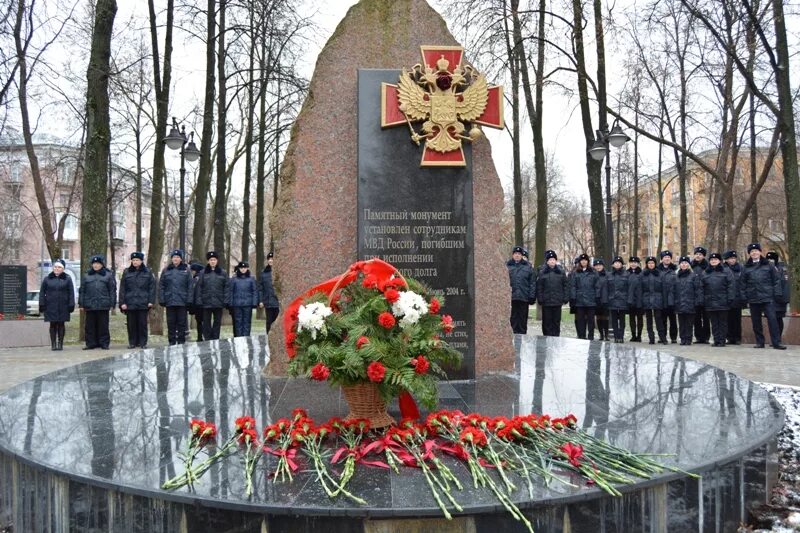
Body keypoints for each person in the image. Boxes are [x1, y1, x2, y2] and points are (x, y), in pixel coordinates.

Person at [742, 243, 786, 350]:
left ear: (760, 252)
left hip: (768, 297)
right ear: (749, 254)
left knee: (772, 320)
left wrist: (776, 294)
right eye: (752, 252)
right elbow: (742, 284)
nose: (754, 253)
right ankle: (759, 342)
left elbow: (776, 281)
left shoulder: (769, 265)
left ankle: (776, 342)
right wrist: (745, 297)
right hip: (753, 298)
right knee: (756, 322)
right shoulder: (746, 267)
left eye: (756, 251)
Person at [118, 252, 155, 349]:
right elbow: (122, 288)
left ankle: (143, 342)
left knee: (142, 324)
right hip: (130, 302)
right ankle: (132, 342)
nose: (135, 262)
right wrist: (122, 302)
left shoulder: (147, 272)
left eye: (137, 260)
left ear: (141, 261)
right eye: (133, 260)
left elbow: (152, 288)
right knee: (131, 324)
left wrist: (151, 301)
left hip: (143, 302)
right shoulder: (127, 272)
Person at [79, 254, 116, 350]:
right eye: (94, 263)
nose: (95, 265)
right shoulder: (87, 275)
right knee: (89, 326)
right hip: (89, 304)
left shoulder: (108, 275)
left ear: (102, 265)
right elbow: (82, 290)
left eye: (98, 264)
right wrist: (81, 303)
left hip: (103, 304)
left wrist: (112, 303)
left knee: (103, 325)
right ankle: (91, 343)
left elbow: (112, 290)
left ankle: (104, 343)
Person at [39, 258, 74, 351]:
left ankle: (60, 343)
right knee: (53, 324)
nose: (57, 269)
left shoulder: (67, 279)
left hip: (63, 306)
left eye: (59, 267)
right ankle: (53, 344)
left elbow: (71, 292)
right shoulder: (47, 279)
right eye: (55, 267)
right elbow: (42, 292)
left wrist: (71, 304)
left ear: (63, 269)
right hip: (50, 306)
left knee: (61, 324)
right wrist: (42, 304)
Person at [159, 249, 193, 345]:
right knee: (171, 323)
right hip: (170, 301)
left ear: (181, 259)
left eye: (178, 257)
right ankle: (172, 342)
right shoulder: (166, 270)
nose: (176, 259)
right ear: (171, 258)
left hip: (182, 301)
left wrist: (189, 300)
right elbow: (161, 285)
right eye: (174, 257)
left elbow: (190, 286)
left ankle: (181, 341)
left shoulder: (186, 270)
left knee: (182, 323)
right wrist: (162, 299)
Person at [702, 253, 736, 347]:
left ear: (719, 261)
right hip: (710, 301)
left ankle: (722, 340)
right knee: (714, 322)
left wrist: (730, 297)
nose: (713, 261)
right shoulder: (706, 272)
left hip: (723, 301)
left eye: (716, 259)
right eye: (712, 260)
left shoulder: (726, 271)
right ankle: (716, 339)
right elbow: (702, 287)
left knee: (722, 322)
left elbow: (731, 285)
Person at [196, 251, 229, 341]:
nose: (212, 261)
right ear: (208, 261)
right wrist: (199, 300)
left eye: (214, 260)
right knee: (206, 322)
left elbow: (226, 287)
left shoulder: (223, 273)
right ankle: (208, 338)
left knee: (217, 322)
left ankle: (215, 338)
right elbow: (199, 287)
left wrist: (226, 300)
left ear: (217, 261)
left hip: (219, 301)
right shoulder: (203, 273)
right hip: (206, 302)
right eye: (211, 260)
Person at [535, 250, 568, 336]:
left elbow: (565, 285)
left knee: (556, 322)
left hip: (557, 302)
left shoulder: (561, 272)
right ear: (547, 261)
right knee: (547, 322)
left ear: (556, 261)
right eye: (550, 260)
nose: (552, 261)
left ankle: (556, 338)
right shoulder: (542, 272)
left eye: (553, 259)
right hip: (547, 302)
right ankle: (547, 337)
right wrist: (540, 298)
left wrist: (565, 297)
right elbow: (539, 287)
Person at [570, 253, 602, 340]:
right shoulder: (576, 272)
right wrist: (573, 297)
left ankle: (590, 336)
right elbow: (573, 286)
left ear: (588, 261)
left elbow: (597, 286)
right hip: (580, 300)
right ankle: (582, 335)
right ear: (580, 262)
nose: (584, 262)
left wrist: (597, 297)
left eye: (585, 260)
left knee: (591, 320)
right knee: (581, 320)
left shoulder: (593, 272)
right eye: (582, 260)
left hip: (591, 300)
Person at [639, 256, 670, 345]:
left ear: (655, 264)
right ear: (647, 264)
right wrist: (641, 302)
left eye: (652, 263)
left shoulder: (660, 274)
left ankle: (663, 338)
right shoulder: (643, 274)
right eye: (649, 263)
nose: (651, 265)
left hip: (658, 300)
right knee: (648, 321)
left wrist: (664, 302)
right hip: (647, 300)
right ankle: (651, 338)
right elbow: (640, 290)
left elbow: (664, 289)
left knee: (659, 320)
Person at [673, 256, 702, 345]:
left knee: (689, 323)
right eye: (682, 263)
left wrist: (697, 301)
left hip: (690, 303)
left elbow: (697, 289)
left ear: (688, 265)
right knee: (681, 324)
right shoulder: (676, 276)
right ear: (679, 265)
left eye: (685, 263)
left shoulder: (693, 276)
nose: (684, 264)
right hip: (680, 303)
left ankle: (688, 339)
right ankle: (683, 339)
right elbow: (673, 290)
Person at [507, 245, 536, 334]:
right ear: (512, 255)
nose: (517, 255)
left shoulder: (528, 267)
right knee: (513, 320)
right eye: (515, 253)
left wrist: (532, 296)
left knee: (522, 321)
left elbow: (532, 283)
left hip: (524, 297)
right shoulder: (507, 266)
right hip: (511, 298)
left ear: (522, 255)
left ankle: (522, 338)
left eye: (519, 254)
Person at [606, 256, 636, 343]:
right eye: (615, 263)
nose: (617, 264)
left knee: (622, 320)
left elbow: (630, 289)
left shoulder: (627, 274)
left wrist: (630, 300)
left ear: (622, 264)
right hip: (612, 300)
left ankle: (621, 336)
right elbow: (607, 288)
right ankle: (616, 336)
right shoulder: (609, 275)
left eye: (619, 263)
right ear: (613, 264)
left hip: (623, 300)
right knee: (614, 319)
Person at [228, 261, 259, 337]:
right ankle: (239, 339)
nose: (243, 269)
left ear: (247, 268)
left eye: (244, 268)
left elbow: (254, 291)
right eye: (241, 268)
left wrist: (254, 303)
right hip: (237, 304)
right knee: (238, 322)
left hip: (248, 304)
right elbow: (231, 291)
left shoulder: (251, 279)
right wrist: (230, 303)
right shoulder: (234, 279)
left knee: (247, 322)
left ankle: (246, 338)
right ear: (239, 269)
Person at [723, 250, 745, 345]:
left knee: (737, 318)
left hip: (737, 297)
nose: (732, 260)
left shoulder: (740, 268)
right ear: (726, 260)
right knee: (728, 319)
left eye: (733, 258)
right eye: (730, 258)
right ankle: (729, 337)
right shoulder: (723, 268)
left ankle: (737, 337)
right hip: (726, 297)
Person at [766, 251, 790, 338]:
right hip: (769, 299)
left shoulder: (782, 269)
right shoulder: (765, 269)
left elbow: (785, 285)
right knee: (772, 320)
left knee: (778, 319)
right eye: (768, 259)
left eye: (772, 259)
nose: (770, 261)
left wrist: (783, 299)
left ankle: (778, 338)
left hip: (779, 299)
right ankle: (774, 338)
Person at [657, 250, 678, 343]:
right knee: (662, 319)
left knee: (673, 319)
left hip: (672, 298)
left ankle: (673, 337)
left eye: (669, 257)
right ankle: (663, 337)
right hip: (661, 298)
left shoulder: (675, 269)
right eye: (665, 257)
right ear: (662, 259)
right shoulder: (657, 270)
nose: (667, 259)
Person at [691, 246, 711, 343]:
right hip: (694, 296)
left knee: (706, 318)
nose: (698, 256)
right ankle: (698, 337)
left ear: (703, 256)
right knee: (696, 318)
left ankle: (706, 337)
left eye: (700, 254)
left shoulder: (708, 266)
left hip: (706, 296)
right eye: (696, 254)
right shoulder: (691, 266)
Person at [260, 252, 280, 334]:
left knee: (278, 322)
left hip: (278, 302)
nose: (271, 261)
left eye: (272, 259)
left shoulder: (279, 271)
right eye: (269, 259)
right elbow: (261, 288)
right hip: (268, 302)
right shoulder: (264, 273)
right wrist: (261, 300)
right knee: (269, 322)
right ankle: (269, 338)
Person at [626, 256, 644, 341]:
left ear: (638, 264)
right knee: (632, 318)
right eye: (632, 262)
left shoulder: (642, 273)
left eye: (635, 262)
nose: (633, 264)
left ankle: (639, 335)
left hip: (640, 299)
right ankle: (633, 335)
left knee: (640, 318)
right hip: (630, 299)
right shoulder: (626, 273)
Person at [593, 258, 610, 340]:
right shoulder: (592, 275)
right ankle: (601, 334)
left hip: (605, 299)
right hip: (596, 299)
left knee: (605, 318)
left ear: (603, 266)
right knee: (598, 318)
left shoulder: (607, 275)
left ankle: (606, 335)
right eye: (596, 265)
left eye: (600, 265)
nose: (598, 267)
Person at [188, 262, 205, 342]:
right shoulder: (196, 278)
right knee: (200, 321)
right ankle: (200, 337)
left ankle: (201, 337)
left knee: (200, 321)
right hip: (199, 304)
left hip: (200, 304)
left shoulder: (197, 278)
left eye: (192, 270)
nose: (192, 272)